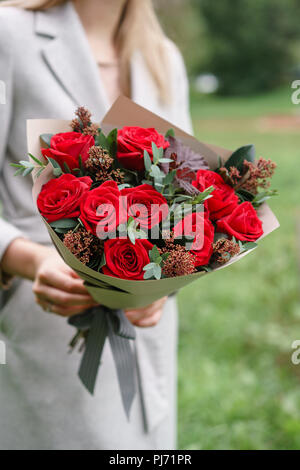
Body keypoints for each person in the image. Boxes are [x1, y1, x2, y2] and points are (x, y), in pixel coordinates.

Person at [0, 0, 193, 450]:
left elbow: (186, 204)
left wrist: (165, 283)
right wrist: (27, 259)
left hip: (147, 337)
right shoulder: (10, 33)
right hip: (46, 324)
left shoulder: (164, 59)